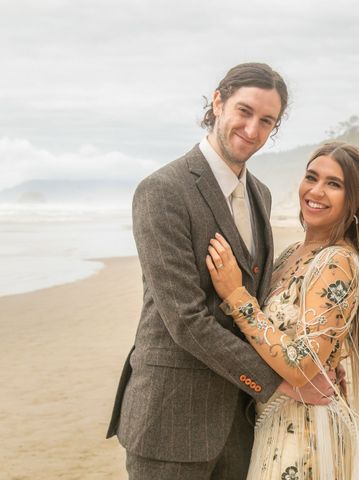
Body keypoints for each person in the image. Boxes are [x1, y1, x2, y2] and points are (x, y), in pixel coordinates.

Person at [106, 62, 338, 480]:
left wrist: (315, 360)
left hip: (241, 421)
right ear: (218, 102)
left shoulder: (259, 195)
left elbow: (262, 301)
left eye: (267, 121)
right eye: (244, 111)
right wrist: (282, 382)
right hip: (171, 420)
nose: (252, 129)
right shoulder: (162, 191)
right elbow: (185, 320)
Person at [206, 142, 359, 479]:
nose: (317, 191)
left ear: (354, 201)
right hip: (276, 421)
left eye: (334, 184)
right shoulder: (293, 252)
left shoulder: (336, 261)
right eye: (312, 177)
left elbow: (303, 367)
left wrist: (236, 295)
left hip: (306, 433)